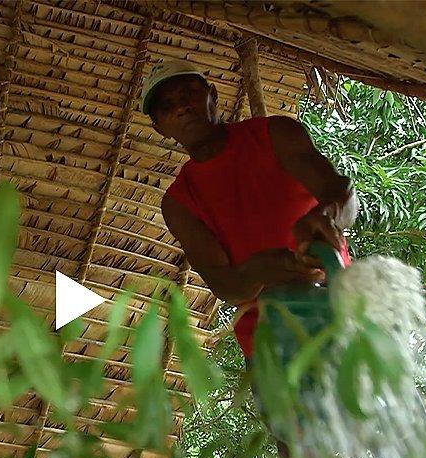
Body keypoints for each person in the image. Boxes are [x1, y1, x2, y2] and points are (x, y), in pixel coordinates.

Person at [144, 58, 357, 360]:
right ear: (159, 128)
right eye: (166, 107)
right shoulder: (179, 204)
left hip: (335, 306)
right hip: (269, 343)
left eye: (188, 94)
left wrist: (326, 217)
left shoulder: (277, 134)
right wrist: (258, 271)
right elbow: (225, 285)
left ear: (212, 95)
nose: (182, 107)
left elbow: (343, 195)